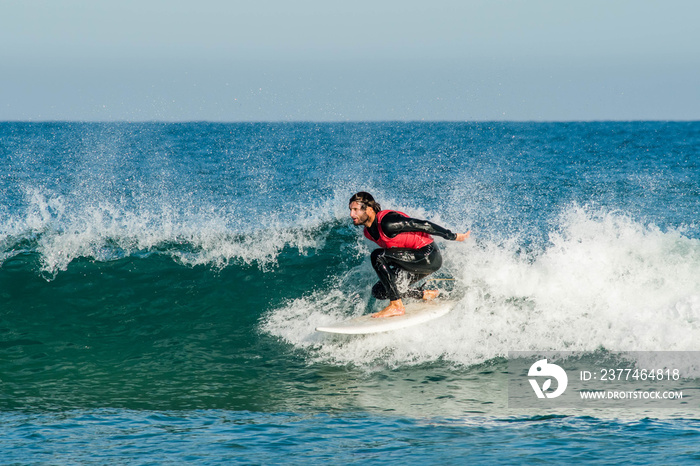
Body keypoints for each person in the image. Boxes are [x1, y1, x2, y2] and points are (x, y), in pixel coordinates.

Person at [349, 192, 470, 318]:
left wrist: (452, 236)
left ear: (368, 209)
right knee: (379, 291)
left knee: (378, 256)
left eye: (355, 210)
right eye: (351, 210)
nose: (352, 214)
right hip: (412, 260)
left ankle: (396, 306)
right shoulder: (368, 232)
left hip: (428, 256)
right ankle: (424, 294)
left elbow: (424, 225)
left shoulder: (387, 222)